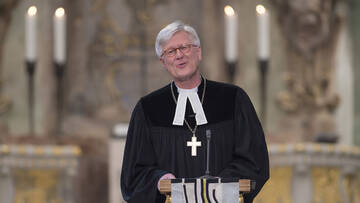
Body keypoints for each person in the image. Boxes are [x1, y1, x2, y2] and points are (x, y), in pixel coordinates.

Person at [121, 20, 269, 203]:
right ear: (163, 62)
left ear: (198, 52)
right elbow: (133, 175)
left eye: (184, 47)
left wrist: (218, 184)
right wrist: (160, 180)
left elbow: (254, 160)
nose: (179, 55)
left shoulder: (233, 99)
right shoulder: (148, 109)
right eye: (171, 51)